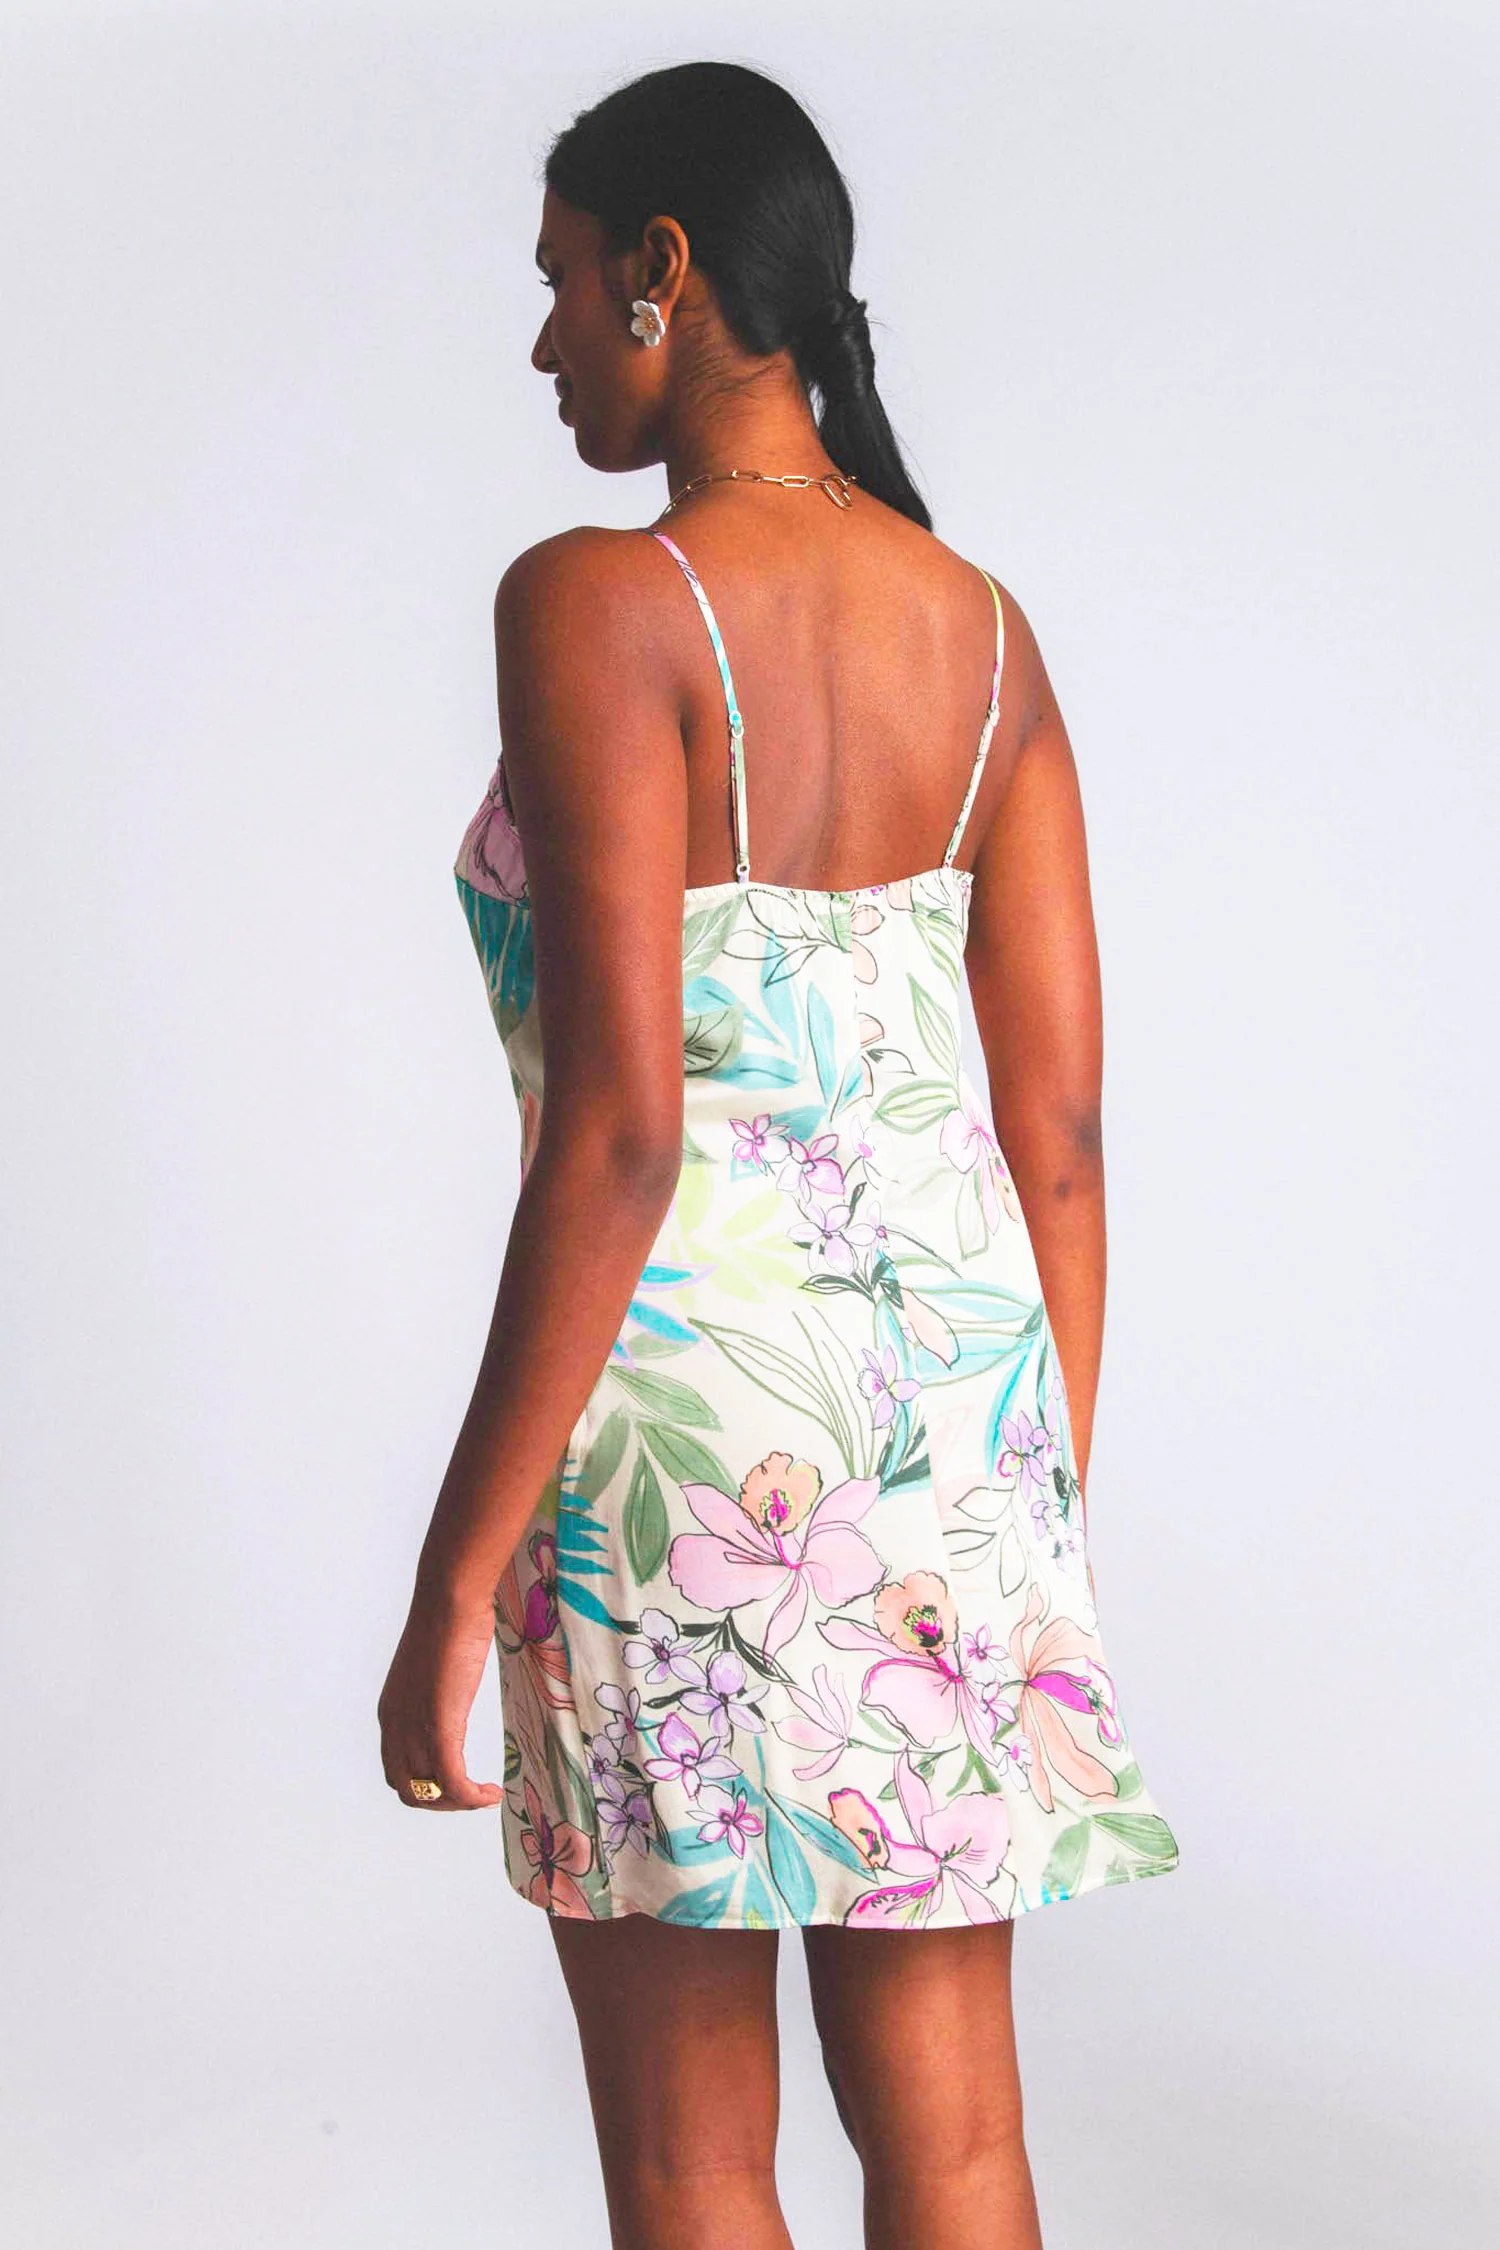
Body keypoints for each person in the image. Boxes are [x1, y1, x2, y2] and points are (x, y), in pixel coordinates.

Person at [378, 58, 1180, 2250]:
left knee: (691, 2159)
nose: (543, 342)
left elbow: (623, 1133)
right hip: (955, 1455)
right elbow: (1061, 1138)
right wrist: (1022, 1517)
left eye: (564, 283)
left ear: (667, 271)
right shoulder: (987, 635)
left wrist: (455, 1579)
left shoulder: (596, 602)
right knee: (962, 2145)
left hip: (676, 1463)